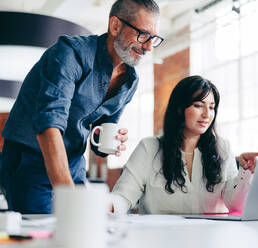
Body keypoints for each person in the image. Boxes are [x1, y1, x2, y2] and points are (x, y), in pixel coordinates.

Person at [0, 0, 163, 214]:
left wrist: (109, 143)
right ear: (115, 26)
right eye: (144, 35)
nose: (149, 46)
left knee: (81, 229)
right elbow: (49, 124)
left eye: (155, 38)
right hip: (29, 160)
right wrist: (69, 196)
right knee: (41, 235)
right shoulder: (70, 53)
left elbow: (100, 137)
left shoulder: (130, 81)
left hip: (73, 164)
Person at [111, 75, 257, 216]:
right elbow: (123, 197)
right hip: (160, 237)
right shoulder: (149, 148)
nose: (207, 114)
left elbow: (236, 205)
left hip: (210, 238)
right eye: (198, 105)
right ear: (180, 108)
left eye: (211, 107)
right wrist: (106, 204)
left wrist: (246, 171)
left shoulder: (222, 148)